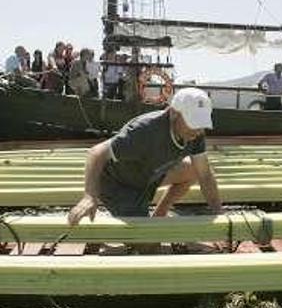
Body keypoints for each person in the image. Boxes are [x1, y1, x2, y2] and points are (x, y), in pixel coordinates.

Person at [67, 87, 222, 226]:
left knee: (195, 169)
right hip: (119, 184)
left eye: (201, 124)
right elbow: (96, 152)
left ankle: (159, 215)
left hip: (149, 175)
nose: (198, 131)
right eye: (193, 123)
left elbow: (205, 176)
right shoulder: (144, 130)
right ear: (173, 113)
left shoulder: (195, 133)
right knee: (148, 244)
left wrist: (218, 215)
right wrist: (90, 196)